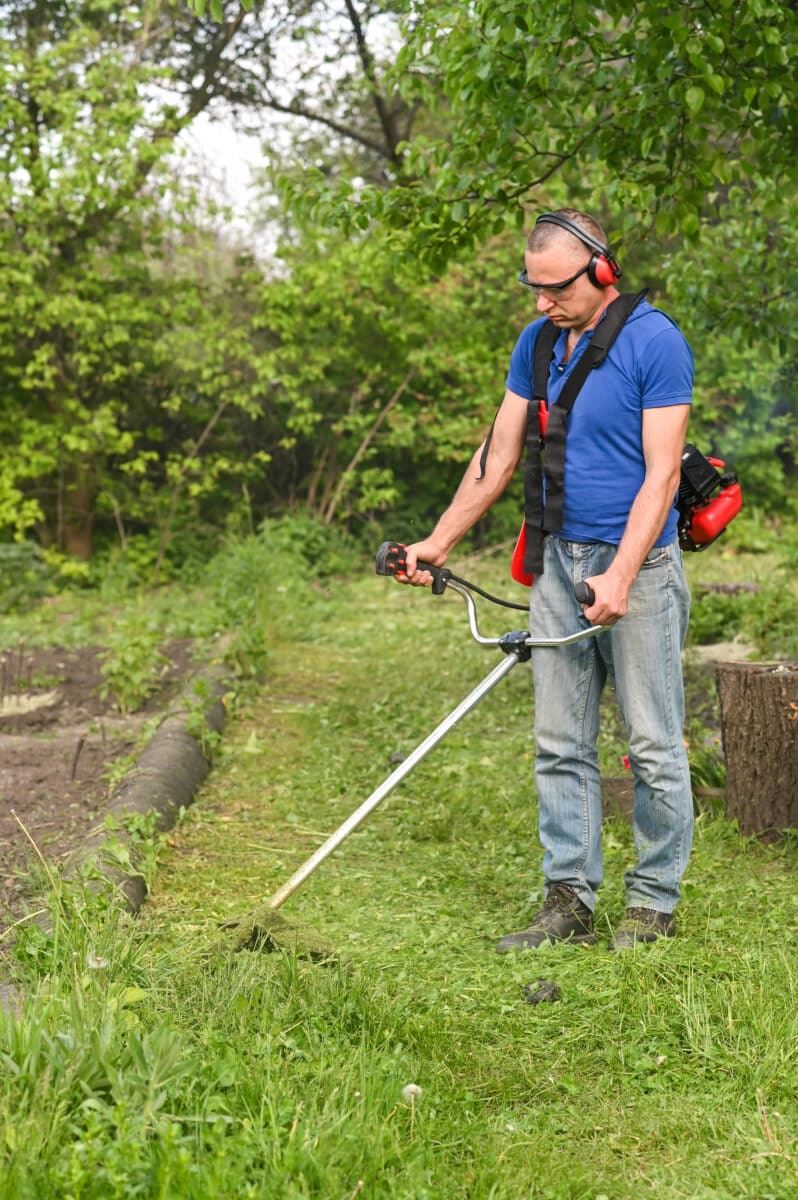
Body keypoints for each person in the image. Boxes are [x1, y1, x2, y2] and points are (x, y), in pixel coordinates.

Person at [400, 208, 694, 952]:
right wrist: (435, 543)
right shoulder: (535, 345)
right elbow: (495, 461)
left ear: (601, 271)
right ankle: (568, 898)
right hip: (557, 563)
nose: (540, 303)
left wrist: (622, 574)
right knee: (559, 740)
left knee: (653, 743)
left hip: (640, 569)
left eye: (554, 288)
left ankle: (652, 903)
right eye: (532, 288)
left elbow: (661, 478)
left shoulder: (655, 343)